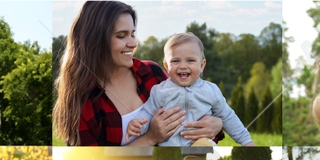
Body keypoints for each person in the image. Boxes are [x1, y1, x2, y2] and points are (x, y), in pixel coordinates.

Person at [53, 1, 227, 146]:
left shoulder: (152, 73)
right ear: (96, 40)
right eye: (122, 36)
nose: (133, 43)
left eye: (133, 34)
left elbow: (195, 112)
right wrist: (150, 138)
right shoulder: (83, 101)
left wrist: (217, 124)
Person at [121, 34, 253, 147]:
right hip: (168, 148)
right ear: (166, 66)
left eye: (190, 61)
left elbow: (228, 116)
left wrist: (246, 141)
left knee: (205, 151)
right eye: (176, 61)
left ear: (202, 65)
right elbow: (148, 112)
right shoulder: (160, 91)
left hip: (200, 145)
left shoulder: (210, 90)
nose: (183, 66)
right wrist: (138, 124)